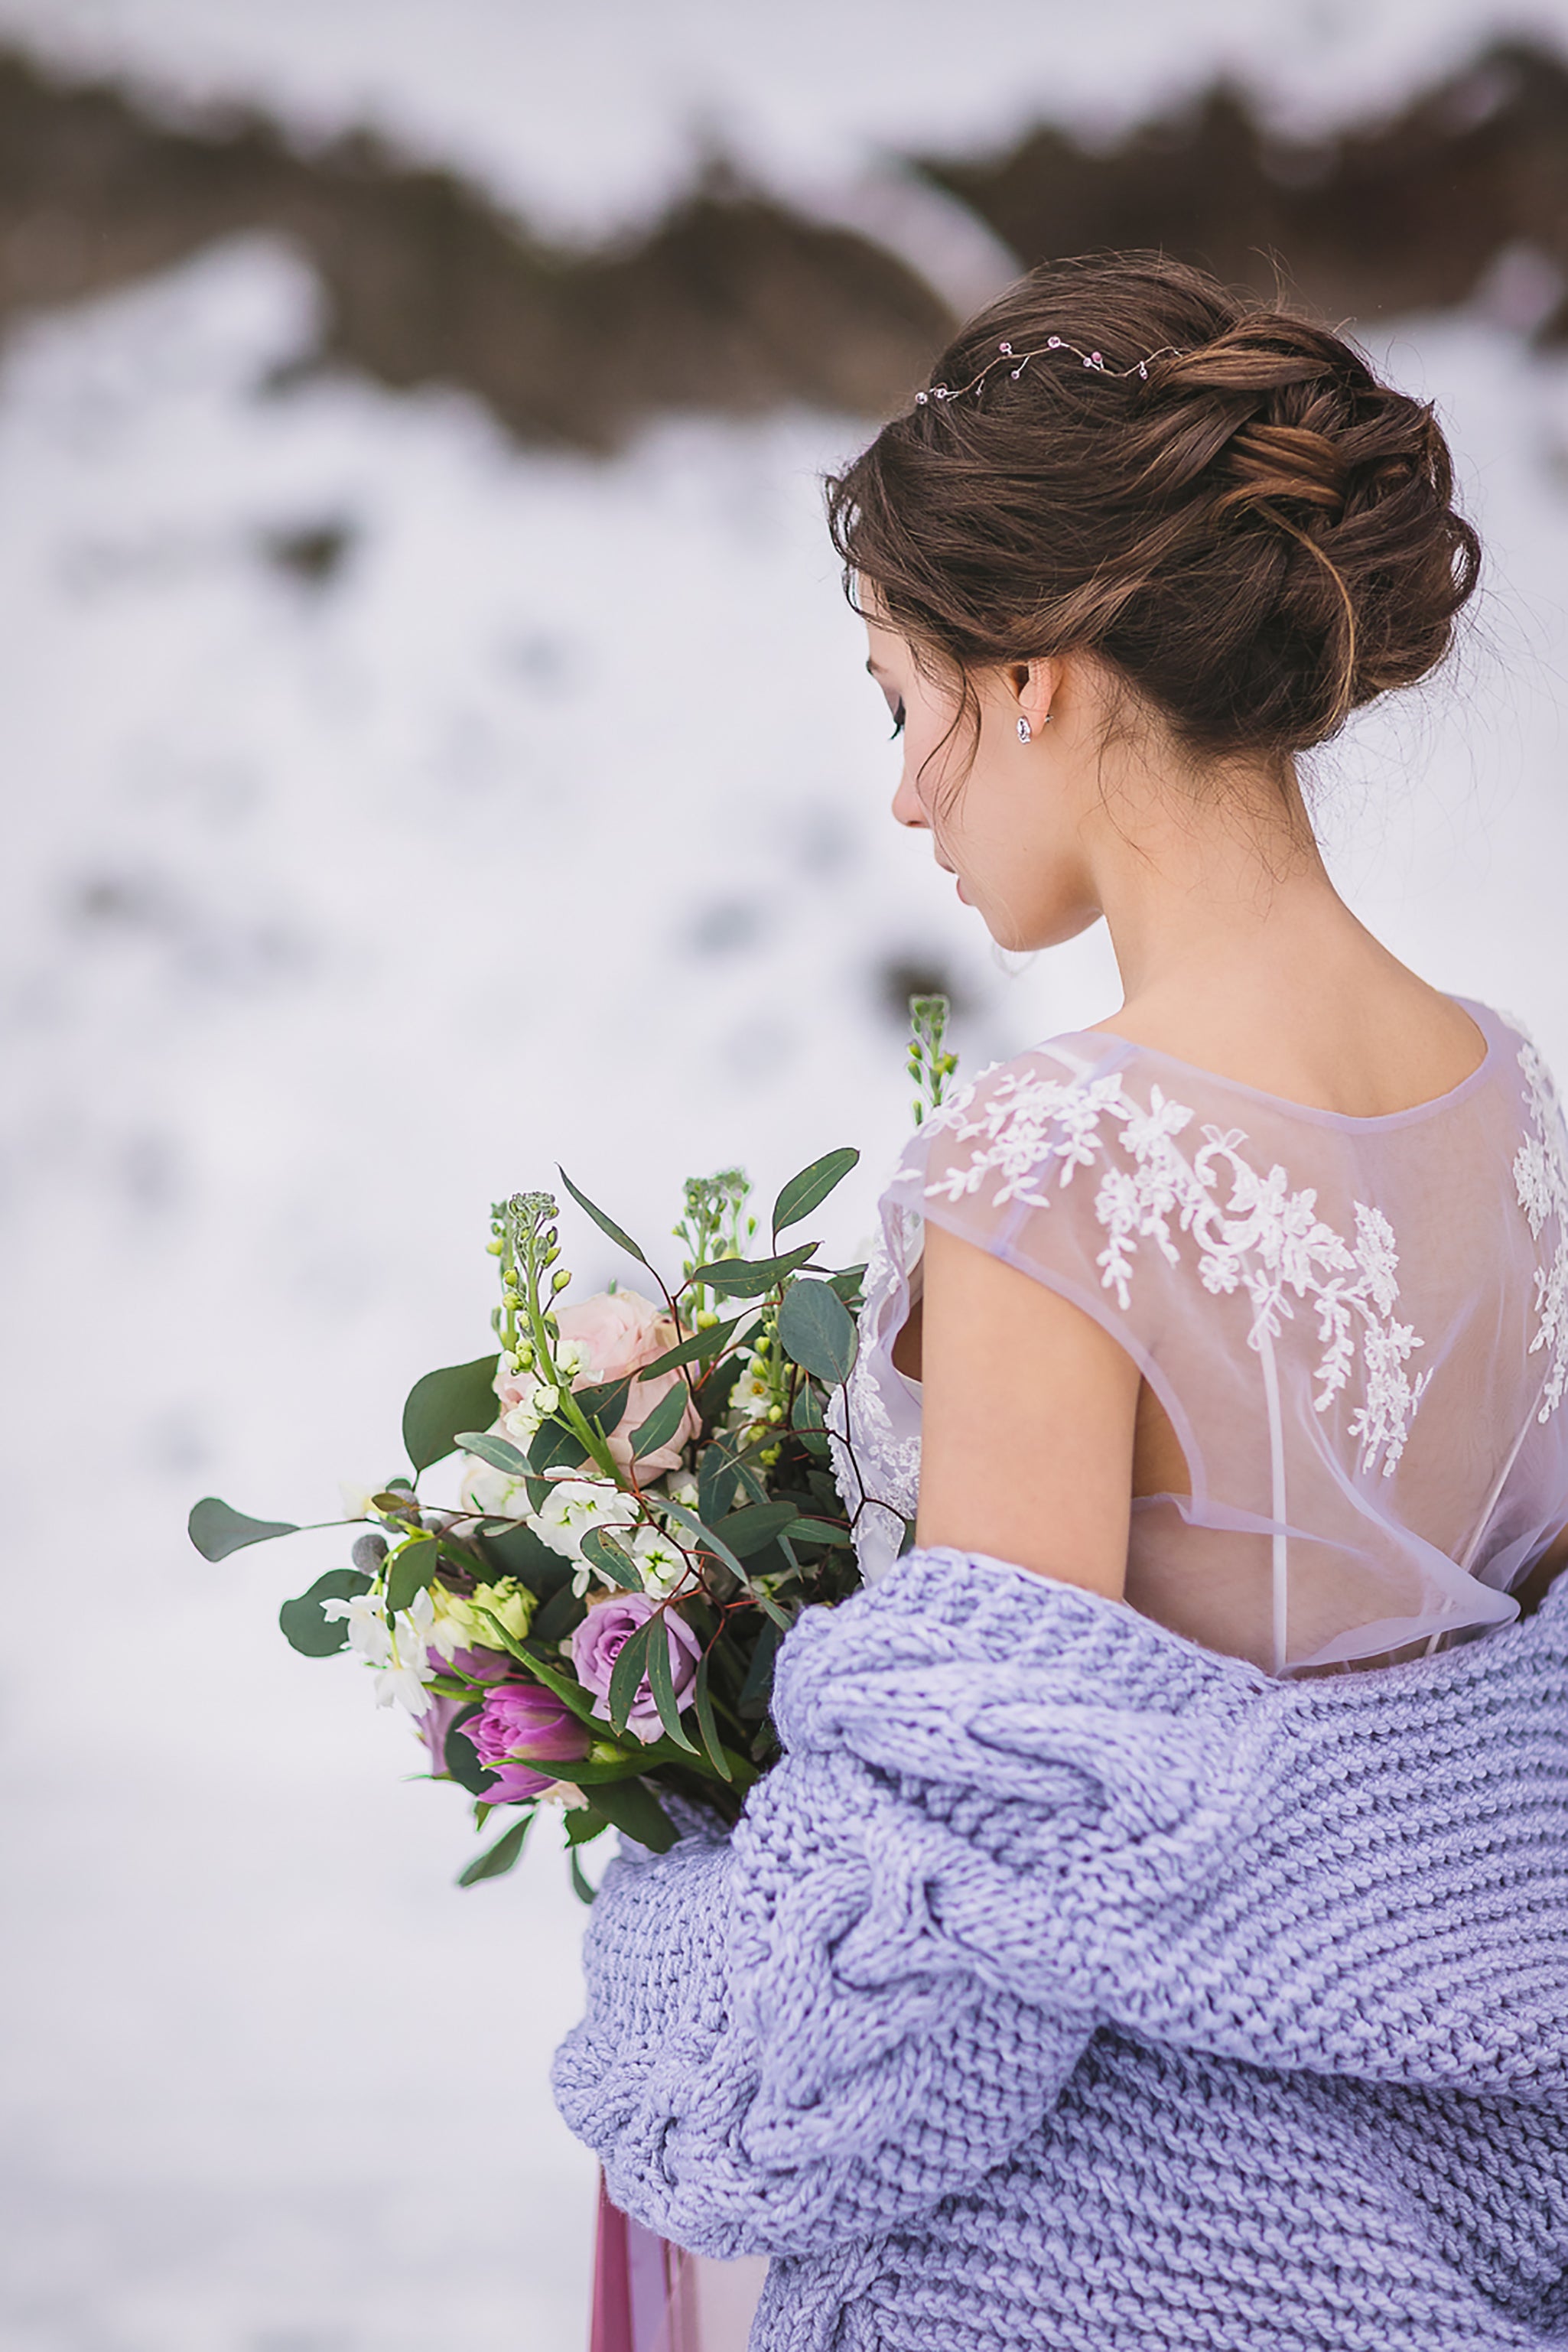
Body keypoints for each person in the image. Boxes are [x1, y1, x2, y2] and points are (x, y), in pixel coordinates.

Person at [555, 252, 1568, 2349]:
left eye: (899, 695)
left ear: (1033, 673)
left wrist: (669, 1938)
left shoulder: (1059, 1166)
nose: (903, 787)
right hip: (1454, 2218)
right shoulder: (1511, 1102)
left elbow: (945, 1919)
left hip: (1103, 2266)